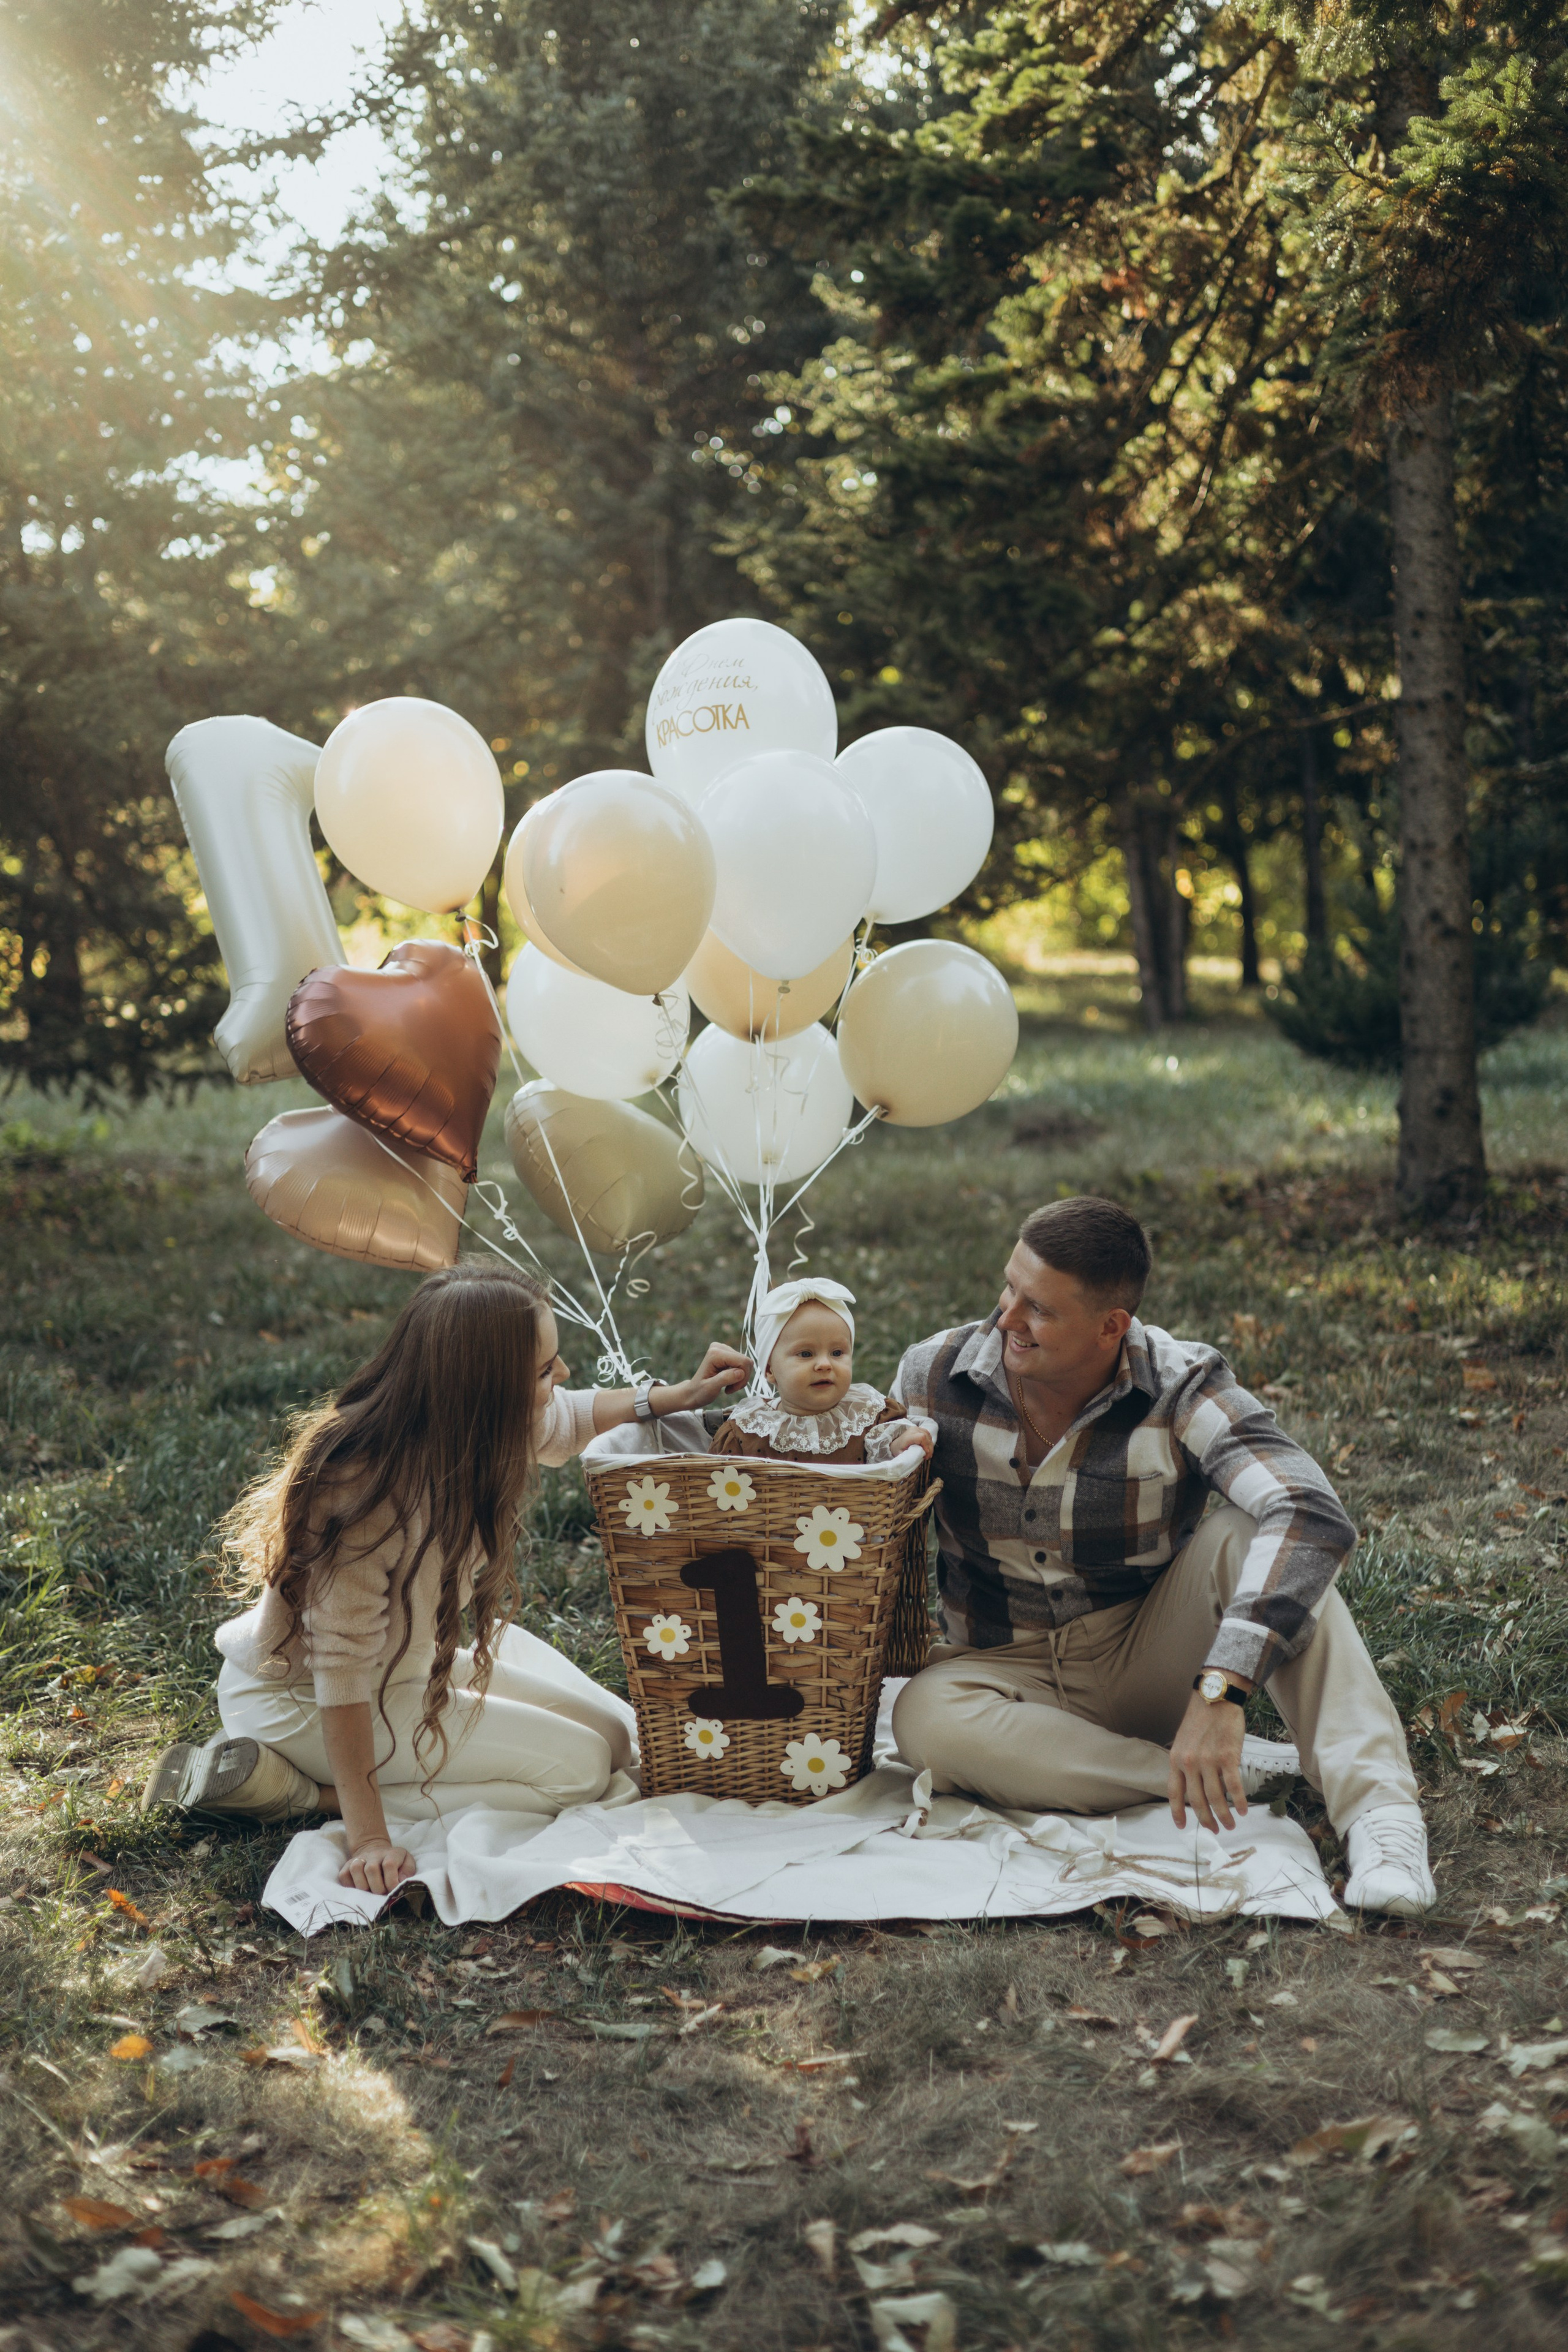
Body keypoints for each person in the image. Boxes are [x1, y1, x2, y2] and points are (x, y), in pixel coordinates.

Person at [888, 1197, 1434, 1916]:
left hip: (1148, 1649)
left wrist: (1221, 1692)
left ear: (1110, 1326)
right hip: (1004, 1673)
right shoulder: (935, 1373)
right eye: (1008, 1288)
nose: (1006, 1318)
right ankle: (1191, 1773)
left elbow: (1309, 1512)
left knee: (1251, 1538)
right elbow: (848, 1485)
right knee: (921, 1719)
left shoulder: (1180, 1384)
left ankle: (1381, 1819)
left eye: (1038, 1309)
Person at [141, 1263, 748, 1895]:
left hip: (404, 1667)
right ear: (483, 1388)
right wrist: (369, 1834)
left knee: (619, 1737)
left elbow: (566, 1417)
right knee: (583, 1771)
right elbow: (340, 1671)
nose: (562, 1376)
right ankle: (294, 1793)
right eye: (544, 1370)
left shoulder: (473, 1428)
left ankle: (315, 1783)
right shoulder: (363, 1489)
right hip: (301, 1703)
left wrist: (670, 1397)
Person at [708, 1276, 935, 1464]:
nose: (825, 1365)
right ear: (770, 1370)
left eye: (837, 1353)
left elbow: (884, 1455)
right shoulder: (749, 1431)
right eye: (806, 1354)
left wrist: (899, 1446)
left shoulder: (868, 1416)